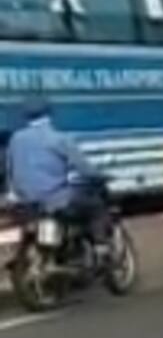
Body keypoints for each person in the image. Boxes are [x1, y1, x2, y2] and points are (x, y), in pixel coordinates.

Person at [6, 98, 109, 244]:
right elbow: (84, 168)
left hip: (26, 200)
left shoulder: (15, 139)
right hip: (56, 199)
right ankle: (101, 246)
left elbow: (10, 169)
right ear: (49, 114)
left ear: (26, 116)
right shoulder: (59, 138)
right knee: (96, 206)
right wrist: (99, 176)